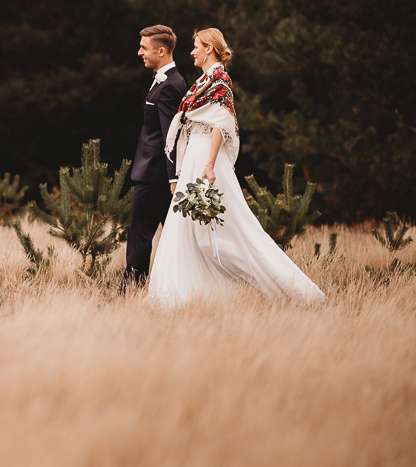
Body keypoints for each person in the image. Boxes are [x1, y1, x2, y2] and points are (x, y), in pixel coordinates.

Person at [149, 28, 324, 306]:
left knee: (233, 229)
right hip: (195, 153)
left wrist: (208, 164)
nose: (192, 51)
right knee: (185, 226)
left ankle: (294, 291)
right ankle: (181, 295)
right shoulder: (204, 80)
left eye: (196, 46)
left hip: (206, 156)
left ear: (209, 48)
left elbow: (221, 124)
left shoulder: (220, 79)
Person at [121, 25, 187, 290]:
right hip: (155, 175)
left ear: (161, 51)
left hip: (156, 177)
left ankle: (130, 291)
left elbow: (170, 137)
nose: (139, 53)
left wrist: (173, 178)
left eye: (144, 48)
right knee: (174, 238)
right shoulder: (165, 80)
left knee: (139, 236)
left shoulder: (171, 85)